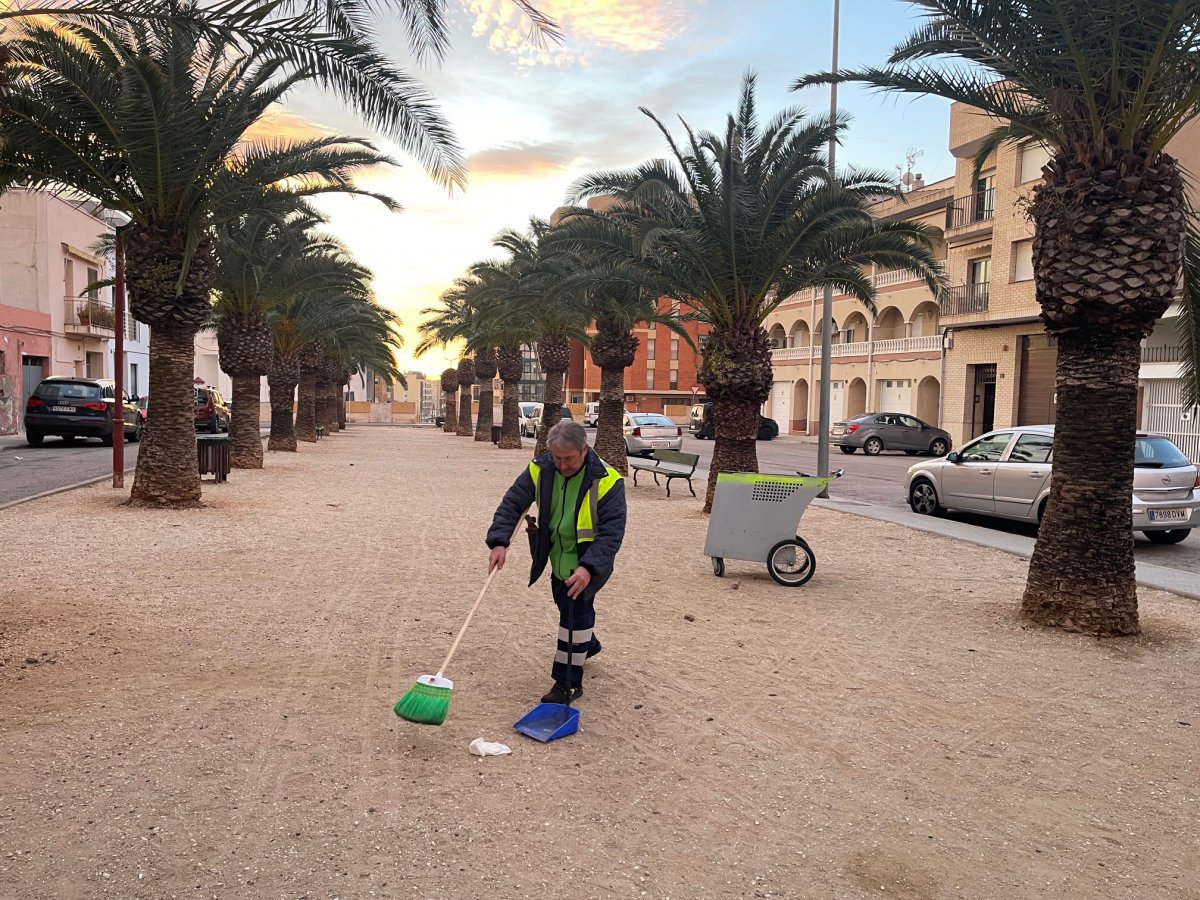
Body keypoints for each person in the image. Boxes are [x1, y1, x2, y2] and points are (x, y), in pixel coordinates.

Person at [486, 420, 626, 704]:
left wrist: (589, 568)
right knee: (565, 604)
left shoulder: (608, 481)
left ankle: (567, 684)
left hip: (589, 560)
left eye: (569, 459)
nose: (562, 465)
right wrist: (499, 541)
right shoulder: (541, 468)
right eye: (557, 458)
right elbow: (513, 503)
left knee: (574, 614)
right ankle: (589, 644)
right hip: (557, 558)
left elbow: (612, 533)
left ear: (584, 450)